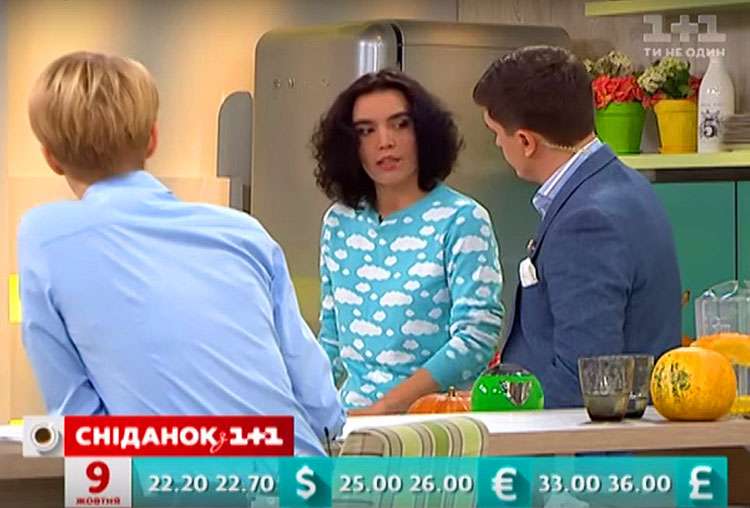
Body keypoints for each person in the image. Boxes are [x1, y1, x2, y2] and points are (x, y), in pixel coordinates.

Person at [19, 51, 344, 455]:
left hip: (181, 479)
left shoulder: (44, 236)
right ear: (152, 139)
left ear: (51, 157)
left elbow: (78, 420)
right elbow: (319, 400)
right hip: (303, 475)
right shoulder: (243, 232)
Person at [472, 46, 681, 408]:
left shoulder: (587, 222)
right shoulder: (626, 186)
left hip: (582, 442)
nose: (496, 143)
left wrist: (496, 412)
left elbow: (583, 382)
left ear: (525, 142)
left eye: (496, 133)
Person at [312, 69, 504, 415]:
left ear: (423, 133)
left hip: (436, 425)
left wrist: (387, 408)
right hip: (351, 424)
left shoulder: (462, 219)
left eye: (400, 125)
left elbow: (476, 338)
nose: (384, 142)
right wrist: (300, 404)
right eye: (366, 131)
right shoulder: (339, 222)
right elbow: (332, 339)